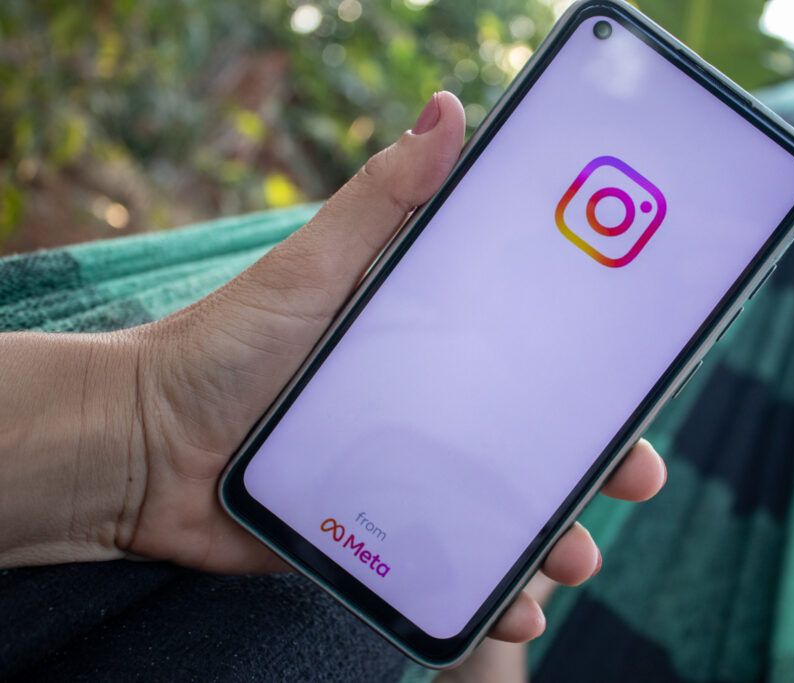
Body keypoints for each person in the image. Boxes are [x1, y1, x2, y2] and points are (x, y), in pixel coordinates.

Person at [0, 92, 666, 679]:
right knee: (373, 624)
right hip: (300, 535)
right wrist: (146, 425)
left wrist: (143, 433)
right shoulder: (413, 321)